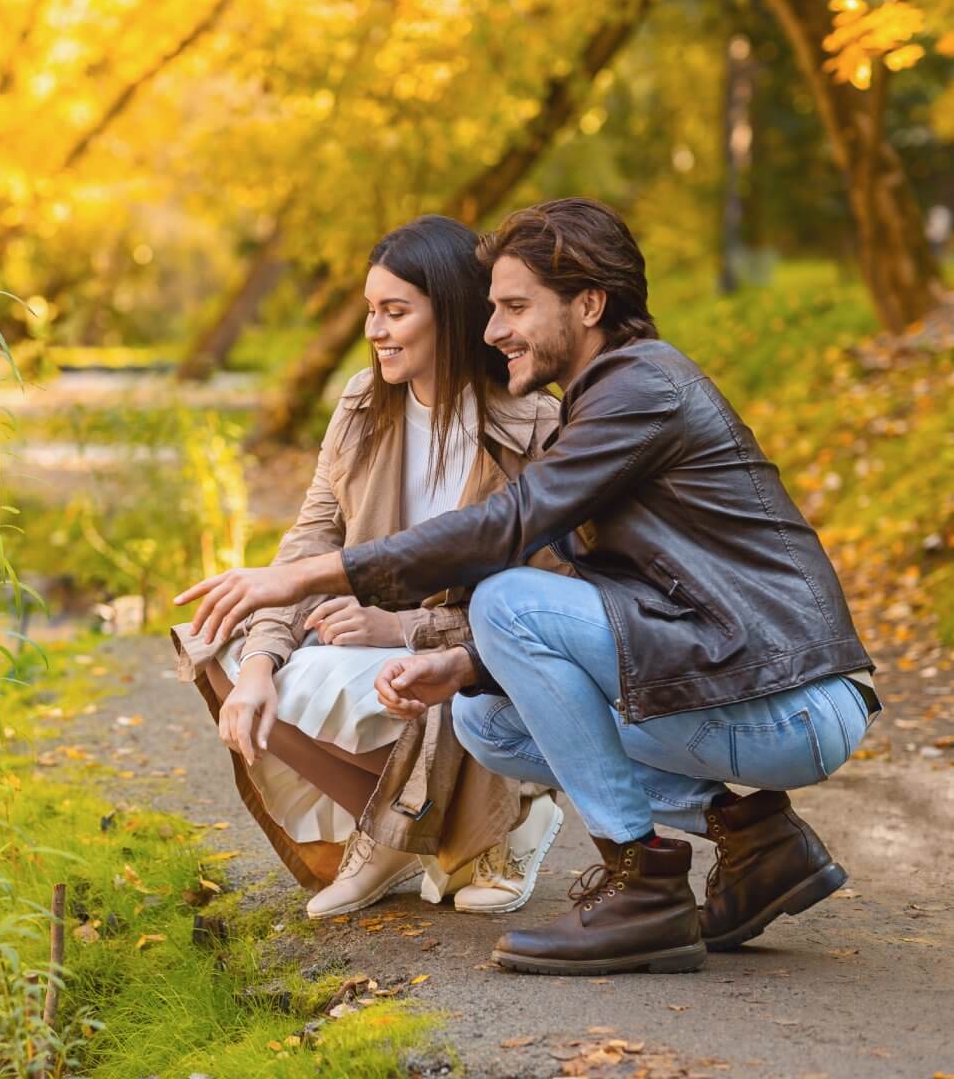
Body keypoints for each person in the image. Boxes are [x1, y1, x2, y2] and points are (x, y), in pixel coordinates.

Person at [174, 197, 878, 976]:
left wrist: (315, 577)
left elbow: (509, 528)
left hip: (793, 699)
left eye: (513, 307)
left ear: (588, 304)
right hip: (731, 677)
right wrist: (466, 666)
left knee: (507, 598)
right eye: (491, 307)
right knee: (488, 723)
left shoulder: (642, 390)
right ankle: (757, 841)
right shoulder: (601, 397)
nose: (493, 329)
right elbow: (606, 598)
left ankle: (639, 884)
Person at [170, 215, 565, 921]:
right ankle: (390, 838)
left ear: (451, 314)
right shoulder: (361, 404)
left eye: (395, 312)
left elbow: (551, 596)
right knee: (223, 649)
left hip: (477, 661)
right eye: (369, 311)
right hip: (371, 647)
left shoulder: (535, 424)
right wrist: (259, 666)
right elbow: (309, 542)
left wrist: (401, 626)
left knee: (424, 681)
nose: (375, 330)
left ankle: (516, 819)